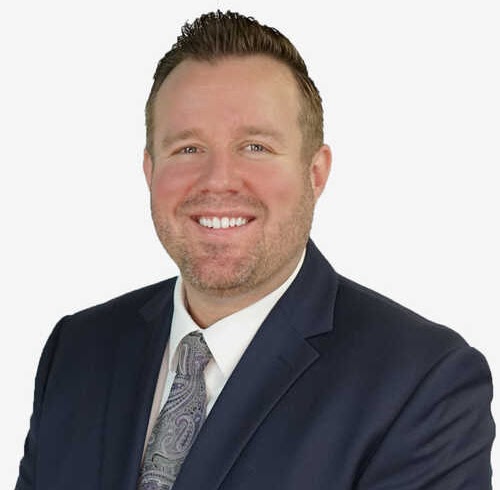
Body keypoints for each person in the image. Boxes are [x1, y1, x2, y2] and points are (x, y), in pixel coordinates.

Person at [15, 10, 494, 490]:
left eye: (255, 147)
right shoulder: (77, 350)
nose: (218, 180)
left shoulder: (422, 384)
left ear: (315, 173)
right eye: (187, 148)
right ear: (150, 171)